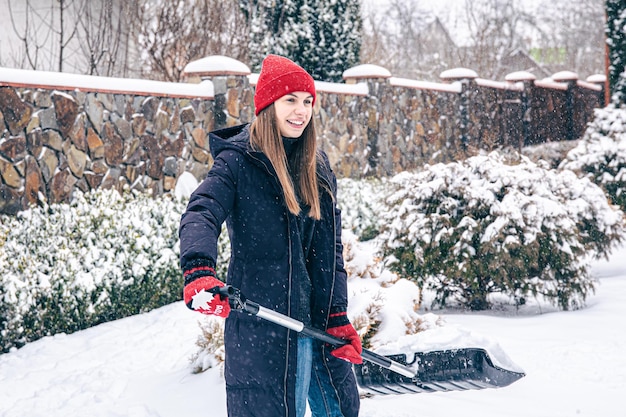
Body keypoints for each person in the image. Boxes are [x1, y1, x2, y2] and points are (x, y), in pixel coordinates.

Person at [179, 54, 362, 417]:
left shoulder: (318, 166)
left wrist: (337, 315)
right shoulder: (237, 162)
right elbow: (201, 211)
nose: (301, 111)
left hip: (316, 325)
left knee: (340, 410)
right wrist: (199, 270)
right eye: (290, 100)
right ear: (268, 106)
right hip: (264, 327)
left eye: (307, 101)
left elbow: (330, 254)